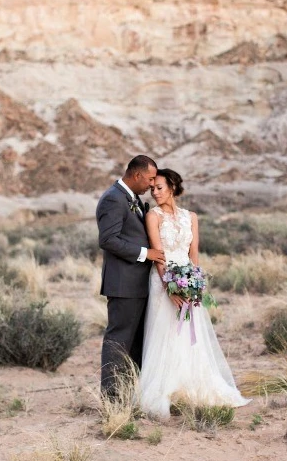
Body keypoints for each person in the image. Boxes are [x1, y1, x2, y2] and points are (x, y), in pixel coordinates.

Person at [139, 168, 250, 418]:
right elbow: (158, 255)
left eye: (159, 188)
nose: (154, 193)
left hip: (187, 279)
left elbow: (194, 253)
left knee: (191, 335)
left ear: (173, 188)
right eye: (152, 188)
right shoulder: (153, 216)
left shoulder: (191, 216)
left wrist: (195, 283)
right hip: (163, 280)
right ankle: (166, 389)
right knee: (166, 333)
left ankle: (191, 387)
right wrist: (169, 288)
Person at [96, 155, 167, 395]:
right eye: (148, 179)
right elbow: (108, 240)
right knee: (119, 340)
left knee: (136, 342)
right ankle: (112, 396)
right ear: (136, 175)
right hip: (123, 284)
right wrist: (145, 253)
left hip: (137, 284)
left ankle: (132, 391)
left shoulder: (131, 198)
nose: (151, 185)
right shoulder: (113, 199)